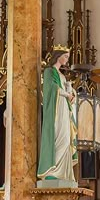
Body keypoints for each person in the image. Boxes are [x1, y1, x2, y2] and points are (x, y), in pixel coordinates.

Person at [37, 47, 77, 183]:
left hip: (64, 108)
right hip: (55, 109)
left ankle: (62, 172)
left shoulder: (62, 75)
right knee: (58, 136)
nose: (67, 59)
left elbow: (68, 92)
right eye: (65, 56)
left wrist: (71, 91)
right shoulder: (49, 71)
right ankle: (52, 171)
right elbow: (51, 88)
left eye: (67, 57)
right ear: (58, 56)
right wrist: (66, 93)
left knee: (66, 138)